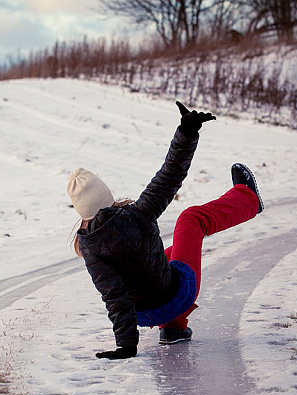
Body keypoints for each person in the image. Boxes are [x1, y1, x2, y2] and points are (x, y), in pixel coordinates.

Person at [67, 101, 264, 360]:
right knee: (190, 219)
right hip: (176, 296)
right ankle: (248, 199)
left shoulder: (90, 246)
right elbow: (169, 175)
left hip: (144, 313)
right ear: (107, 196)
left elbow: (114, 296)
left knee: (167, 253)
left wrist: (126, 345)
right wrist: (188, 131)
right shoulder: (138, 214)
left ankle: (173, 329)